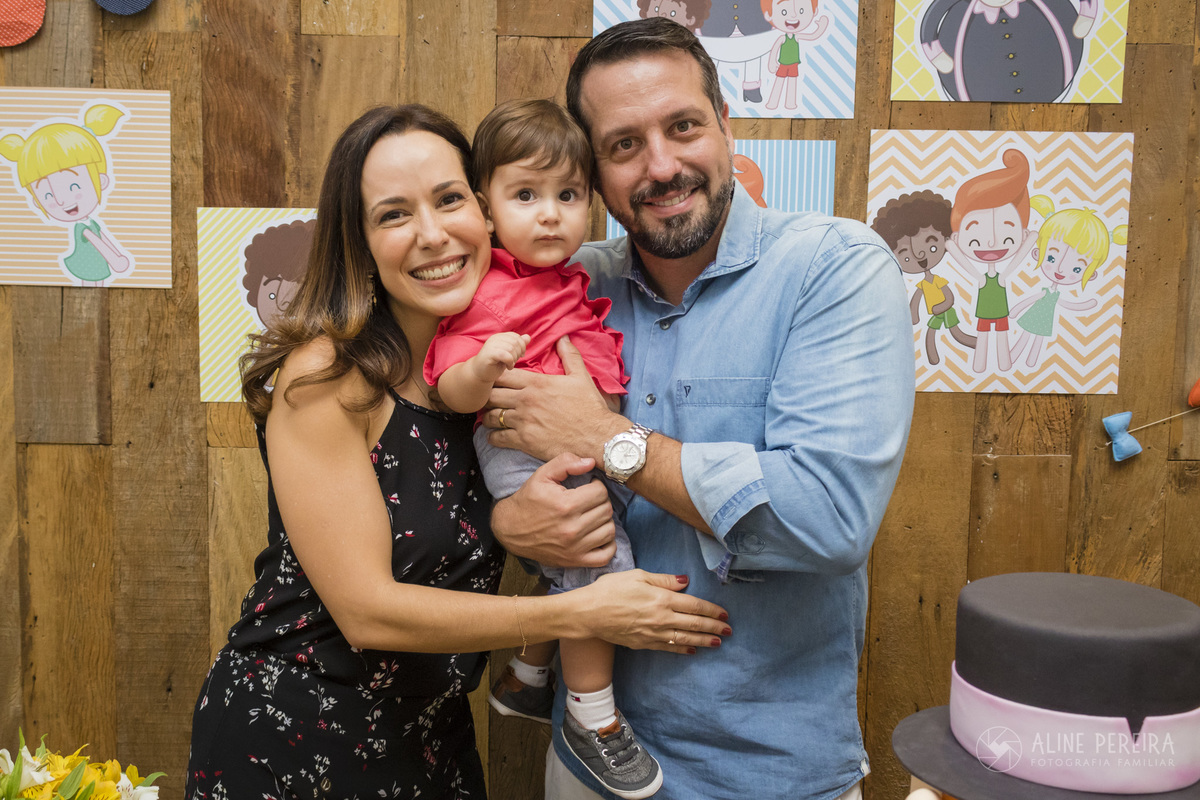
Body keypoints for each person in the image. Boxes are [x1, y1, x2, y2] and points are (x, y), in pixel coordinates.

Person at [184, 103, 730, 800]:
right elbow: (367, 610)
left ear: (484, 209)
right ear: (359, 242)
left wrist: (519, 522)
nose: (433, 235)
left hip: (432, 736)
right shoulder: (329, 378)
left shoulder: (476, 379)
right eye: (393, 215)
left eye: (448, 200)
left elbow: (467, 520)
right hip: (298, 735)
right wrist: (579, 614)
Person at [483, 17, 915, 800]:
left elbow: (829, 518)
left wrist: (607, 438)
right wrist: (506, 526)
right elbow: (486, 453)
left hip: (773, 772)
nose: (661, 165)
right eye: (622, 146)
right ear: (592, 171)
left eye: (682, 126)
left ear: (725, 125)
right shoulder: (565, 288)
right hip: (590, 764)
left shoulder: (834, 270)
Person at [423, 98, 662, 799]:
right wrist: (486, 366)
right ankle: (594, 720)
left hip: (581, 443)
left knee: (577, 557)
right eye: (526, 196)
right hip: (525, 451)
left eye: (568, 195)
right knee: (600, 561)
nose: (551, 214)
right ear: (486, 208)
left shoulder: (564, 275)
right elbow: (448, 385)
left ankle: (530, 676)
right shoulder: (486, 290)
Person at [0, 102, 132, 286]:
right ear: (37, 202)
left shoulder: (89, 223)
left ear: (101, 180)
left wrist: (117, 257)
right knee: (92, 284)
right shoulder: (83, 228)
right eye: (47, 196)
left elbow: (102, 238)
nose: (61, 201)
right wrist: (116, 260)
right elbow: (98, 242)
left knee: (96, 285)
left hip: (95, 263)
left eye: (74, 186)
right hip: (88, 265)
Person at [944, 148, 1038, 374]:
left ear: (1021, 233)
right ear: (959, 236)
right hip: (985, 306)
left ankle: (1004, 363)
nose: (991, 242)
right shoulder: (980, 275)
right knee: (984, 332)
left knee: (1002, 332)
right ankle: (980, 363)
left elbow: (1032, 238)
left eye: (1007, 232)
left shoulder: (1004, 273)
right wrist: (978, 276)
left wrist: (1004, 275)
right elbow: (951, 247)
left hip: (1000, 305)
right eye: (975, 233)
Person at [1007, 196, 1125, 370]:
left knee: (1038, 338)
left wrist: (1086, 304)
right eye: (1052, 257)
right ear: (1037, 253)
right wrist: (1016, 310)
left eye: (1077, 269)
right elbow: (1033, 299)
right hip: (1035, 315)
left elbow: (1066, 304)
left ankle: (1031, 362)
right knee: (1026, 335)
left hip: (1045, 320)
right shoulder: (1045, 292)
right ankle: (1014, 356)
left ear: (1091, 275)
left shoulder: (1054, 295)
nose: (1060, 270)